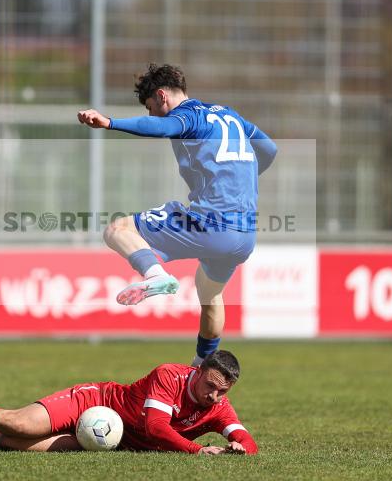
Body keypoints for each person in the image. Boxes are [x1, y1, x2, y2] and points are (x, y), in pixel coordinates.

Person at [77, 64, 277, 364]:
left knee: (118, 229)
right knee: (210, 295)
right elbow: (270, 149)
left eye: (150, 108)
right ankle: (201, 369)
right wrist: (243, 175)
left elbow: (160, 127)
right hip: (244, 234)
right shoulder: (231, 116)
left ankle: (155, 275)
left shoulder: (186, 116)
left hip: (211, 222)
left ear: (162, 97)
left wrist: (109, 122)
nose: (152, 114)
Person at [0, 350, 257, 455]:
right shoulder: (170, 375)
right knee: (21, 424)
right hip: (93, 402)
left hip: (110, 438)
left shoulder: (217, 406)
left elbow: (247, 442)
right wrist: (199, 452)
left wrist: (239, 449)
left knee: (12, 444)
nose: (214, 397)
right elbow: (156, 427)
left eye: (222, 392)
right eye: (210, 386)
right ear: (197, 373)